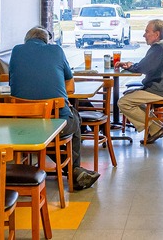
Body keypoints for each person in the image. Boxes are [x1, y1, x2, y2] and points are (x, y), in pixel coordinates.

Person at [9, 26, 100, 190]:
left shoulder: (16, 51)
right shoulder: (56, 50)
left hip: (21, 125)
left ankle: (73, 170)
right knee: (72, 120)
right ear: (46, 41)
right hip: (55, 123)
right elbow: (69, 83)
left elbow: (12, 83)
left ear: (26, 40)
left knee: (47, 130)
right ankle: (74, 173)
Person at [116, 19, 163, 145]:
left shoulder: (159, 48)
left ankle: (156, 128)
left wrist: (130, 66)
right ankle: (158, 127)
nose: (144, 35)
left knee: (124, 102)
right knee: (131, 98)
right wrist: (132, 66)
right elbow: (147, 66)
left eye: (147, 31)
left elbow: (143, 68)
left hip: (161, 90)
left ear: (157, 34)